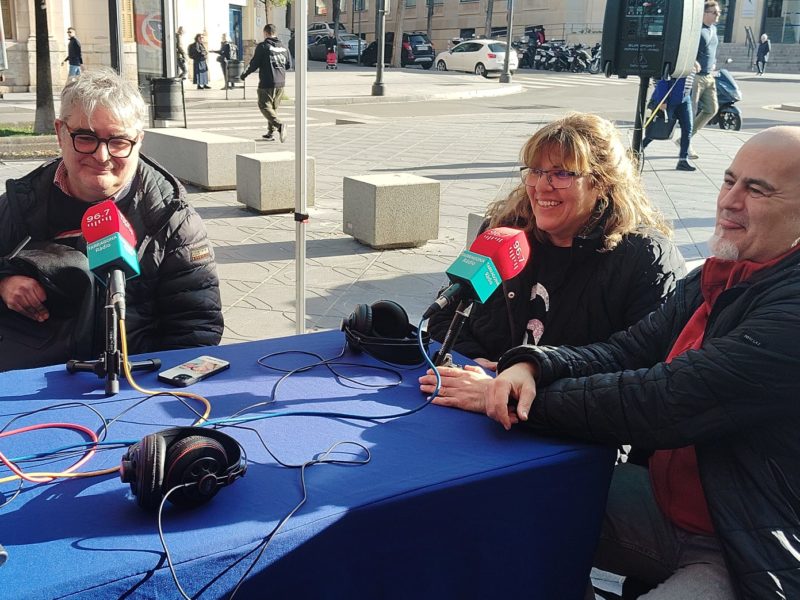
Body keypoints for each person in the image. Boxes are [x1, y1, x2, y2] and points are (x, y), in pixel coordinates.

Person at [483, 125, 800, 598]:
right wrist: (531, 365)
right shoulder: (719, 274)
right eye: (730, 180)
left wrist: (517, 399)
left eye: (757, 190)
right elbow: (625, 351)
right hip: (662, 503)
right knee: (483, 505)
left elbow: (664, 399)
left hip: (745, 542)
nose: (730, 200)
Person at [419, 113, 685, 412]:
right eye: (535, 171)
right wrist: (479, 369)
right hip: (476, 400)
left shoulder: (644, 258)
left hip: (568, 427)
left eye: (561, 174)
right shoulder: (504, 230)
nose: (541, 186)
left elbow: (639, 369)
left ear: (601, 183)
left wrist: (520, 382)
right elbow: (447, 314)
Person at [0, 68, 224, 366]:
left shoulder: (172, 218)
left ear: (139, 140)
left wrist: (145, 386)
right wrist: (3, 283)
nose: (102, 156)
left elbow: (196, 328)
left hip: (132, 381)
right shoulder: (18, 202)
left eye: (118, 141)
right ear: (60, 132)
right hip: (32, 380)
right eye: (85, 137)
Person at [241, 24, 290, 143]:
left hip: (267, 82)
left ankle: (279, 126)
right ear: (275, 32)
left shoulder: (263, 46)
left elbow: (254, 64)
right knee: (272, 108)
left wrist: (244, 74)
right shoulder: (284, 47)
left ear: (266, 33)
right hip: (281, 82)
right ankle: (270, 132)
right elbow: (288, 65)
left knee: (264, 106)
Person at [643, 73, 696, 171]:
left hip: (685, 97)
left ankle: (683, 160)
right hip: (670, 98)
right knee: (659, 127)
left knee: (688, 128)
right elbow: (663, 78)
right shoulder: (678, 59)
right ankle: (637, 149)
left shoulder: (692, 60)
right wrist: (662, 100)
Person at [690, 1, 720, 151]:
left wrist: (714, 62)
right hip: (696, 77)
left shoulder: (714, 30)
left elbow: (713, 51)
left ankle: (687, 137)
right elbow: (687, 49)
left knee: (712, 109)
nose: (717, 15)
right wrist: (693, 61)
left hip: (709, 76)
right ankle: (686, 144)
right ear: (705, 13)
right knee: (691, 111)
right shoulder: (697, 29)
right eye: (714, 12)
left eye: (718, 12)